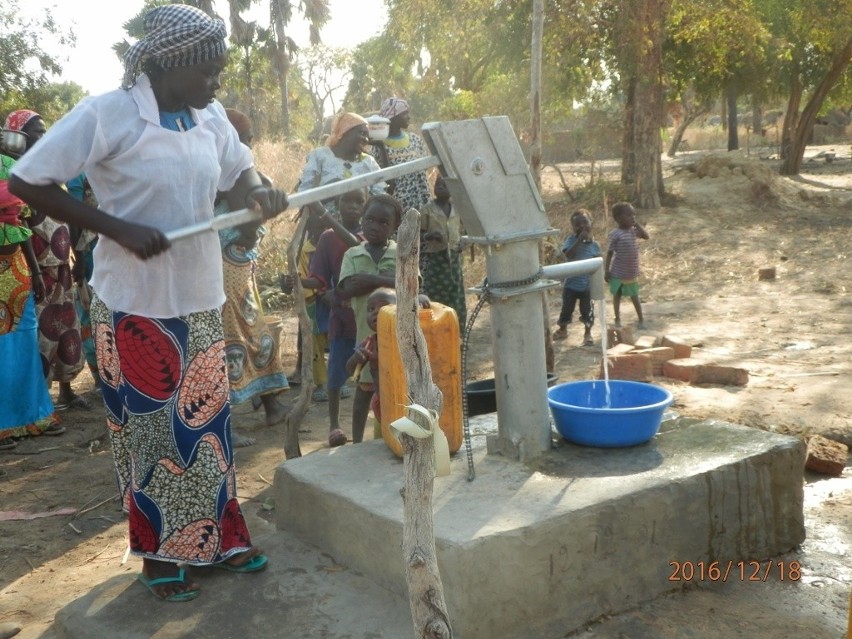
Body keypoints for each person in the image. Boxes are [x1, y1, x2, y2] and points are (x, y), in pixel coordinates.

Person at [9, 4, 289, 601]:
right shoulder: (108, 116)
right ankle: (161, 554)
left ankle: (219, 536)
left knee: (208, 428)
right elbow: (27, 180)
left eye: (219, 71)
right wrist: (115, 228)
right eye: (208, 71)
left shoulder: (208, 116)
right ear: (167, 63)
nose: (216, 83)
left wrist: (261, 192)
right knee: (153, 436)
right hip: (134, 305)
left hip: (199, 297)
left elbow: (240, 174)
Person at [4, 109, 91, 412]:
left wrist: (78, 256)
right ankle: (40, 399)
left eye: (43, 130)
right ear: (19, 136)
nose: (43, 136)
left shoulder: (54, 171)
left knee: (67, 328)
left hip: (62, 267)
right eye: (36, 131)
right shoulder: (12, 175)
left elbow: (70, 215)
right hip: (34, 269)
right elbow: (17, 225)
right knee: (39, 335)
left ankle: (66, 390)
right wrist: (36, 270)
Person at [216, 108, 289, 446]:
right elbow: (247, 223)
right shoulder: (219, 178)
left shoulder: (245, 175)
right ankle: (223, 425)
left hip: (241, 272)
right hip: (221, 273)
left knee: (256, 335)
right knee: (225, 344)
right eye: (243, 139)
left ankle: (271, 404)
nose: (249, 145)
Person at [0, 152, 63, 451]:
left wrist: (36, 270)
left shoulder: (11, 166)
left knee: (24, 340)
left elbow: (21, 222)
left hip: (18, 271)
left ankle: (33, 416)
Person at [337, 194, 402, 443]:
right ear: (362, 220)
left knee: (394, 386)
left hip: (397, 334)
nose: (375, 226)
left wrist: (369, 279)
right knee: (364, 387)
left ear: (395, 227)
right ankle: (356, 442)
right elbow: (346, 288)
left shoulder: (401, 251)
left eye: (384, 222)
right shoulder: (353, 254)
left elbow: (409, 284)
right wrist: (388, 278)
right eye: (370, 219)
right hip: (366, 330)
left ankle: (392, 436)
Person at [304, 189, 365, 446]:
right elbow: (318, 277)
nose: (352, 206)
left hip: (368, 317)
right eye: (346, 201)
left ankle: (370, 427)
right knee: (336, 373)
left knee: (373, 373)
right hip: (341, 315)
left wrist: (324, 215)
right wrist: (297, 283)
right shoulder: (327, 239)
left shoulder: (371, 235)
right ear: (338, 204)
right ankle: (334, 425)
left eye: (358, 201)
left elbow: (356, 246)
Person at [297, 111, 386, 220]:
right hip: (321, 222)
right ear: (346, 132)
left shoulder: (369, 162)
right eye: (362, 133)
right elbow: (305, 191)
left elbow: (380, 196)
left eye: (367, 136)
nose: (366, 140)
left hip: (357, 227)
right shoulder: (320, 156)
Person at [419, 174, 467, 328]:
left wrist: (463, 244)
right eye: (438, 184)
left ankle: (458, 334)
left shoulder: (458, 209)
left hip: (453, 259)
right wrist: (429, 236)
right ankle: (436, 331)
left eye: (444, 185)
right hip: (435, 260)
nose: (440, 187)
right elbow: (416, 234)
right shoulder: (427, 209)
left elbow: (466, 232)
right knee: (435, 298)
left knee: (457, 296)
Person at [370, 97, 432, 212]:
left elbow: (424, 171)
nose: (408, 117)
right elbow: (382, 181)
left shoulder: (415, 140)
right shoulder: (378, 146)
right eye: (404, 113)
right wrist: (382, 148)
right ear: (392, 117)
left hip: (420, 204)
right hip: (395, 207)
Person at [553, 209, 602, 346]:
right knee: (566, 309)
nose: (581, 226)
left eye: (585, 222)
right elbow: (569, 254)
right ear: (573, 227)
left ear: (591, 223)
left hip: (587, 286)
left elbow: (598, 263)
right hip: (571, 285)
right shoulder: (571, 240)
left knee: (587, 311)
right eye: (577, 224)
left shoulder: (595, 245)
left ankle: (587, 333)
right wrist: (579, 241)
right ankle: (563, 329)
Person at [604, 202, 649, 329]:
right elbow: (609, 253)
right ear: (618, 219)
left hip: (631, 272)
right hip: (618, 271)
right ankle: (617, 318)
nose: (632, 217)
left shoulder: (633, 231)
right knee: (617, 295)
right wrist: (606, 270)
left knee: (634, 295)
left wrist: (637, 225)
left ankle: (641, 319)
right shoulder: (615, 234)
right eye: (629, 215)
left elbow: (646, 236)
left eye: (634, 215)